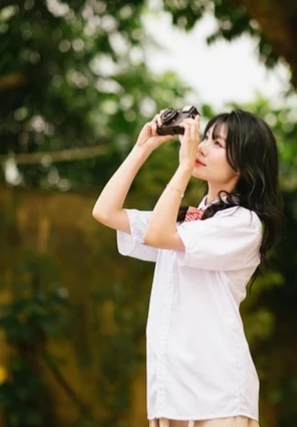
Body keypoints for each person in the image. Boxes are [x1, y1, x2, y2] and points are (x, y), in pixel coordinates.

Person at [92, 108, 283, 427]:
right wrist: (142, 148)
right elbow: (105, 212)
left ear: (244, 162)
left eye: (217, 143)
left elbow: (157, 235)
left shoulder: (243, 223)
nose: (201, 147)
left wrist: (183, 168)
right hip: (171, 395)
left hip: (218, 397)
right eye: (205, 137)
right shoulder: (187, 220)